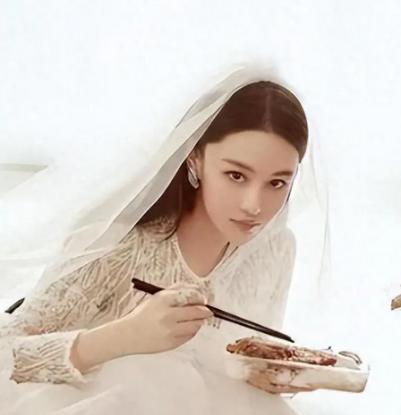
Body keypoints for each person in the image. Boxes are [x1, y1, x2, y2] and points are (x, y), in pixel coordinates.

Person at [0, 67, 324, 414]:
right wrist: (121, 337)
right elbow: (7, 353)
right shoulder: (118, 244)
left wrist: (271, 375)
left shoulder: (276, 249)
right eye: (236, 175)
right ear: (195, 159)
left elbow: (246, 362)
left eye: (277, 183)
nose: (254, 205)